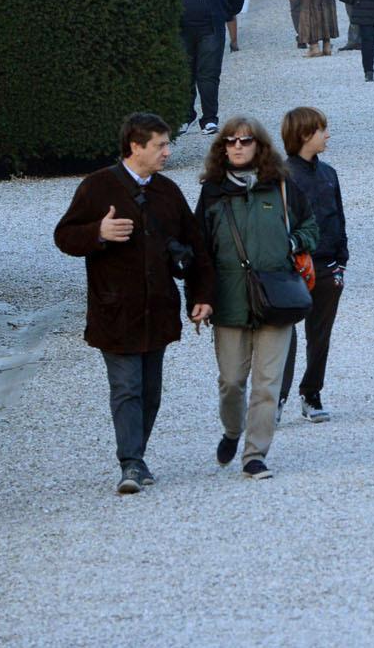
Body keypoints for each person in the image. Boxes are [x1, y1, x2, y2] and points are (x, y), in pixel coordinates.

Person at [53, 112, 207, 494]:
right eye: (160, 145)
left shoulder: (168, 192)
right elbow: (64, 236)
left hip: (158, 309)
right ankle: (131, 463)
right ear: (135, 146)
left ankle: (137, 455)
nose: (168, 152)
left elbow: (196, 245)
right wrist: (97, 232)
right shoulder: (97, 187)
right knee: (126, 388)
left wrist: (201, 295)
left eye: (168, 144)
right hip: (115, 311)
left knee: (150, 391)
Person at [188, 117, 319, 481]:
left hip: (277, 298)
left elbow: (310, 226)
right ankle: (233, 429)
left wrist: (292, 243)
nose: (238, 146)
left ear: (258, 145)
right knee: (231, 381)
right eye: (230, 141)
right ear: (222, 148)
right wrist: (199, 298)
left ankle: (254, 455)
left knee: (267, 384)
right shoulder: (212, 192)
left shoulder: (282, 187)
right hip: (229, 300)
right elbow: (200, 249)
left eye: (245, 140)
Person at [277, 107, 348, 423]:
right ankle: (276, 398)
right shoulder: (280, 177)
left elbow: (338, 218)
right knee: (283, 337)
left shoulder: (329, 173)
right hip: (291, 268)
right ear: (305, 135)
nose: (328, 134)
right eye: (322, 129)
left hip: (327, 266)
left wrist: (341, 262)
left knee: (320, 335)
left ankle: (311, 393)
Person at [182, 0, 245, 135]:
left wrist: (223, 13)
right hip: (182, 30)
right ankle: (185, 116)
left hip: (210, 28)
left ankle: (209, 118)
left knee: (208, 75)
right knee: (184, 74)